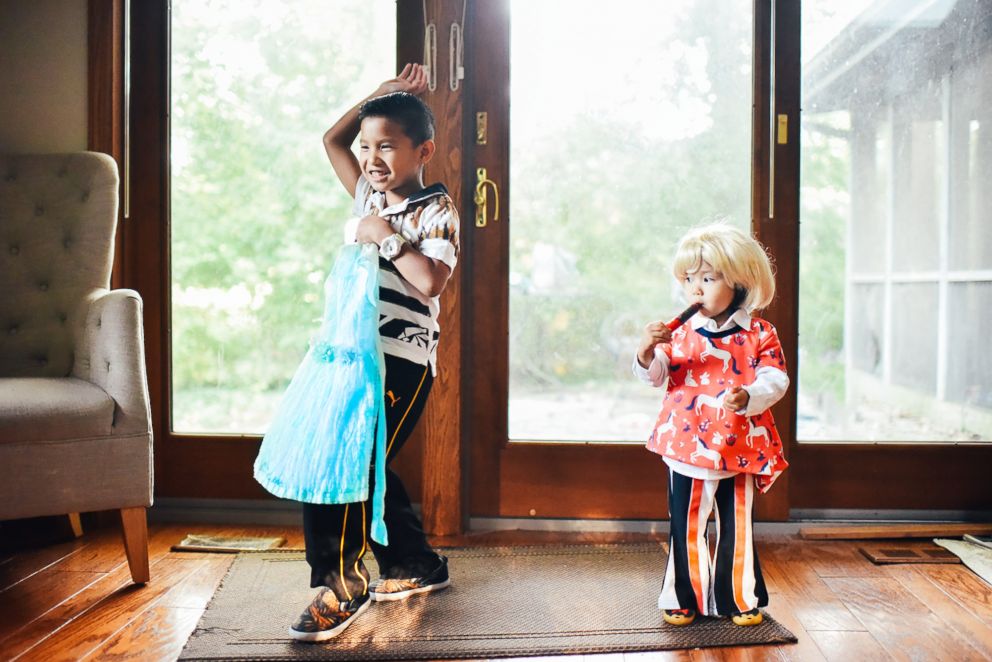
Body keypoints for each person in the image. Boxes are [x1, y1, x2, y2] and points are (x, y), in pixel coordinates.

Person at [289, 63, 459, 642]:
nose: (371, 158)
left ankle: (341, 583)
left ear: (423, 150)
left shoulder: (434, 210)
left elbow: (430, 281)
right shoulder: (369, 191)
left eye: (387, 146)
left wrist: (382, 236)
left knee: (349, 461)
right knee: (356, 458)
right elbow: (330, 140)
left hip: (402, 362)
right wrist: (381, 95)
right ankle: (416, 562)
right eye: (368, 147)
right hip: (346, 355)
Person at [633, 223, 788, 628]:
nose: (695, 290)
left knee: (737, 523)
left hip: (740, 444)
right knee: (686, 524)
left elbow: (775, 379)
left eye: (707, 278)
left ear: (739, 280)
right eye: (688, 280)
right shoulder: (679, 332)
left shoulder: (760, 333)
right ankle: (684, 596)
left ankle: (738, 597)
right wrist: (648, 351)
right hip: (687, 442)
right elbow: (655, 373)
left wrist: (749, 396)